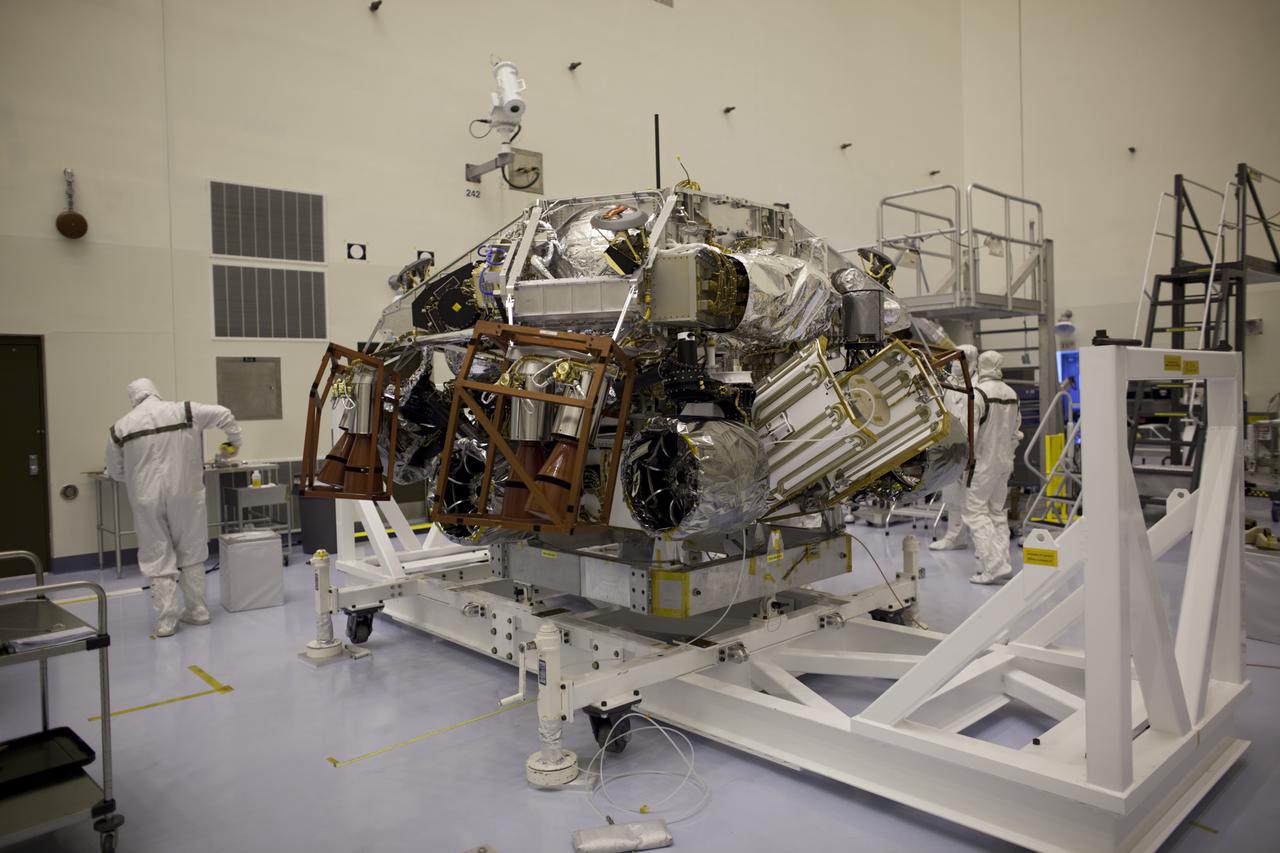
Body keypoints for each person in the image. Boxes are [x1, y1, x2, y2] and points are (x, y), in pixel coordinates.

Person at [105, 379, 242, 636]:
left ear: (133, 398)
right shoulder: (185, 411)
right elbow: (224, 414)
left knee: (157, 554)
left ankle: (166, 622)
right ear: (154, 391)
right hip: (186, 493)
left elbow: (115, 470)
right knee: (191, 550)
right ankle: (198, 611)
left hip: (146, 497)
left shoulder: (121, 427)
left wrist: (138, 479)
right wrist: (233, 444)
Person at [962, 351, 1023, 584]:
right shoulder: (1012, 393)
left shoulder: (979, 394)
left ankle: (994, 565)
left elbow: (971, 433)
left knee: (975, 512)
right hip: (1004, 462)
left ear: (980, 365)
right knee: (996, 512)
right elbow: (1016, 430)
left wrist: (965, 462)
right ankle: (1002, 561)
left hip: (982, 463)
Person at [930, 344, 978, 551]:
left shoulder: (978, 386)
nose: (957, 365)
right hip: (951, 449)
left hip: (976, 450)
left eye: (962, 360)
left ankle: (979, 541)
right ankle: (954, 536)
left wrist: (971, 452)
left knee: (973, 499)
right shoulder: (947, 383)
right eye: (954, 360)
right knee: (951, 496)